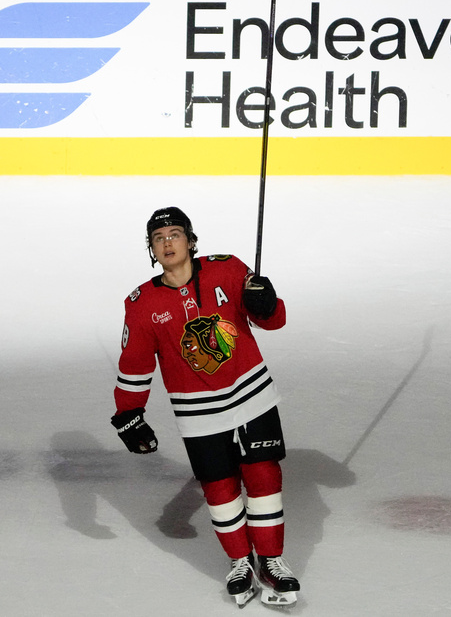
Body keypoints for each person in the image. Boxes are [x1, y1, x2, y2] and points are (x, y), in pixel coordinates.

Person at [109, 207, 300, 607]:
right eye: (159, 238)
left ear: (191, 241)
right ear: (152, 249)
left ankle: (271, 559)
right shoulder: (142, 304)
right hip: (198, 412)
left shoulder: (228, 270)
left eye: (175, 234)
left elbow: (274, 321)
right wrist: (129, 413)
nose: (167, 242)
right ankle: (239, 562)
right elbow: (135, 363)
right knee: (219, 487)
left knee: (263, 478)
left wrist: (266, 303)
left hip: (252, 395)